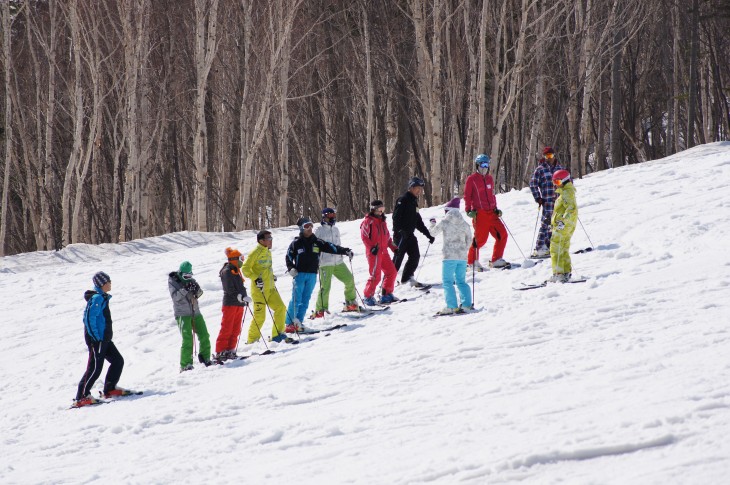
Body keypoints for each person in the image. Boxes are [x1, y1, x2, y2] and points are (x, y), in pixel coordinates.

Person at [284, 217, 353, 332]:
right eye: (306, 226)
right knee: (296, 299)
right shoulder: (296, 243)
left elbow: (331, 247)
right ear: (301, 228)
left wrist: (345, 251)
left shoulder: (316, 241)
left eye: (311, 225)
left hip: (312, 274)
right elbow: (288, 257)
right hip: (299, 274)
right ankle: (290, 323)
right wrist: (291, 268)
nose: (310, 228)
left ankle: (298, 322)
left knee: (306, 299)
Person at [73, 271, 127, 407]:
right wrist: (96, 338)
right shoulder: (97, 298)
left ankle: (110, 388)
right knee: (95, 368)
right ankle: (81, 397)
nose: (110, 284)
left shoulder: (102, 297)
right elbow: (88, 319)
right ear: (102, 284)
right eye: (108, 281)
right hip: (97, 340)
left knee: (117, 361)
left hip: (105, 338)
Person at [241, 230, 289, 343]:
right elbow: (245, 269)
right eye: (269, 238)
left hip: (271, 288)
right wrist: (256, 278)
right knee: (260, 317)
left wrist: (272, 276)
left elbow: (265, 268)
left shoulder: (267, 251)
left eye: (271, 238)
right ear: (261, 240)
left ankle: (277, 334)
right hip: (259, 290)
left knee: (280, 308)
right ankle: (252, 340)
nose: (271, 240)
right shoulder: (255, 252)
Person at [429, 198, 474, 314]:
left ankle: (451, 306)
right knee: (461, 281)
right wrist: (464, 250)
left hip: (449, 256)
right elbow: (470, 240)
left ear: (447, 211)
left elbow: (432, 233)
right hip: (462, 257)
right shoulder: (465, 224)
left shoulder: (445, 221)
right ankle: (467, 304)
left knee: (447, 281)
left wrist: (432, 224)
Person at [464, 154, 508, 271]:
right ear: (477, 166)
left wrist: (496, 208)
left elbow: (492, 195)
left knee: (502, 234)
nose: (484, 168)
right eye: (482, 165)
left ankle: (496, 259)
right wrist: (468, 210)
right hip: (480, 213)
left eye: (486, 165)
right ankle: (471, 262)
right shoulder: (471, 179)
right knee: (480, 239)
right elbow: (467, 196)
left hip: (492, 213)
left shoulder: (489, 179)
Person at [312, 208, 358, 318]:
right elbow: (314, 246)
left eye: (334, 214)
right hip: (325, 262)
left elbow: (337, 245)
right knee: (326, 287)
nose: (333, 217)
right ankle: (320, 310)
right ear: (324, 216)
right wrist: (315, 261)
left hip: (338, 261)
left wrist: (345, 252)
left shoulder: (336, 230)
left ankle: (350, 303)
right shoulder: (318, 230)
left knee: (349, 279)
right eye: (330, 215)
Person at [168, 261, 213, 371]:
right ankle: (185, 364)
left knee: (204, 335)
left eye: (190, 275)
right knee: (187, 339)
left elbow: (199, 294)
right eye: (186, 276)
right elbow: (175, 298)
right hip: (182, 314)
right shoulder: (173, 282)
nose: (188, 278)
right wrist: (185, 289)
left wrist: (196, 290)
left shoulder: (191, 280)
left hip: (195, 312)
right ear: (180, 273)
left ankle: (205, 357)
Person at [392, 176, 435, 287]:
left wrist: (428, 235)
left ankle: (407, 278)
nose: (419, 191)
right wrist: (400, 231)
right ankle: (387, 284)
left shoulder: (413, 202)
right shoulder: (403, 199)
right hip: (400, 236)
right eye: (417, 188)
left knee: (415, 256)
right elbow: (395, 217)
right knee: (397, 259)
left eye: (420, 189)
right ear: (411, 187)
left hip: (410, 235)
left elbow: (418, 221)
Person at [215, 248, 252, 361]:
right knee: (227, 327)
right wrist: (239, 296)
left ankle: (231, 349)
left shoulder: (236, 270)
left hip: (239, 304)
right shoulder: (227, 271)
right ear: (234, 259)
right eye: (241, 259)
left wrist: (244, 297)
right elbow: (229, 289)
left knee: (236, 328)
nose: (242, 261)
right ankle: (221, 351)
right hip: (230, 303)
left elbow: (240, 287)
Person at [360, 200, 399, 306]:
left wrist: (393, 247)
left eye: (383, 209)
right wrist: (372, 248)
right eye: (379, 210)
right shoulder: (368, 222)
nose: (381, 212)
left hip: (384, 252)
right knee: (375, 276)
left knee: (392, 272)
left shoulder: (382, 221)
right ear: (373, 209)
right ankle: (368, 296)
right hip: (374, 253)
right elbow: (364, 237)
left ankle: (386, 295)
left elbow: (387, 237)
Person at [530, 146, 565, 258]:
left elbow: (568, 181)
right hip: (547, 200)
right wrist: (538, 197)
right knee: (546, 223)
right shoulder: (540, 169)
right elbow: (533, 184)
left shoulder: (560, 168)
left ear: (554, 155)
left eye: (550, 155)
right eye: (546, 156)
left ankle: (550, 245)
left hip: (559, 201)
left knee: (556, 223)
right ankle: (539, 247)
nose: (549, 158)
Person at [550, 169, 578, 282]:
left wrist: (562, 222)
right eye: (554, 183)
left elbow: (571, 208)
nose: (556, 185)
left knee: (555, 248)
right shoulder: (566, 192)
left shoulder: (567, 193)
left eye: (557, 182)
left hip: (563, 225)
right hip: (567, 225)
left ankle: (558, 273)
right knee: (563, 248)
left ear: (564, 180)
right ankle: (566, 272)